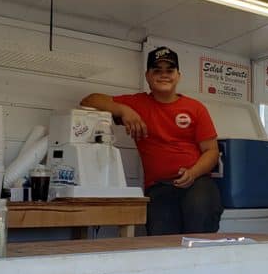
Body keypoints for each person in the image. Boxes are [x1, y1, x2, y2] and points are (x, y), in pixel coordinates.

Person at [80, 46, 223, 235]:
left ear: (178, 76)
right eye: (157, 70)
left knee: (200, 223)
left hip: (197, 182)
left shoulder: (195, 108)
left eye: (169, 70)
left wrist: (193, 173)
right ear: (148, 76)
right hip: (159, 187)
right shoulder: (137, 103)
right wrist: (124, 111)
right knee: (161, 238)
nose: (164, 75)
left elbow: (211, 151)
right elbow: (89, 100)